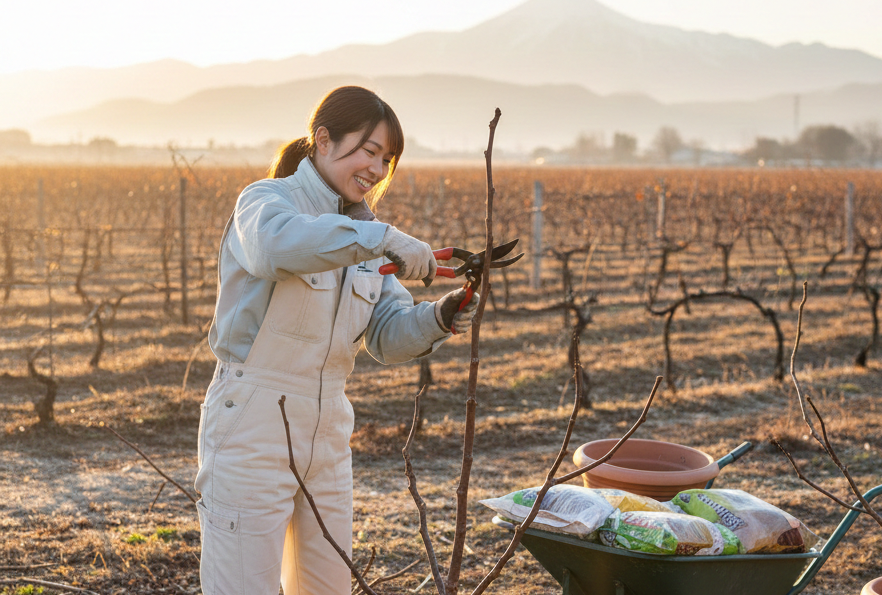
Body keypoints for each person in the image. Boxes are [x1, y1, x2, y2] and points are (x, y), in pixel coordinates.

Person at [195, 85, 477, 595]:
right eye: (370, 151)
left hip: (328, 433)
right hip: (252, 425)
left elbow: (385, 334)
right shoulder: (265, 202)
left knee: (326, 588)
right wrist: (380, 238)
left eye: (386, 159)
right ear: (323, 140)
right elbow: (274, 249)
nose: (377, 169)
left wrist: (439, 316)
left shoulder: (363, 233)